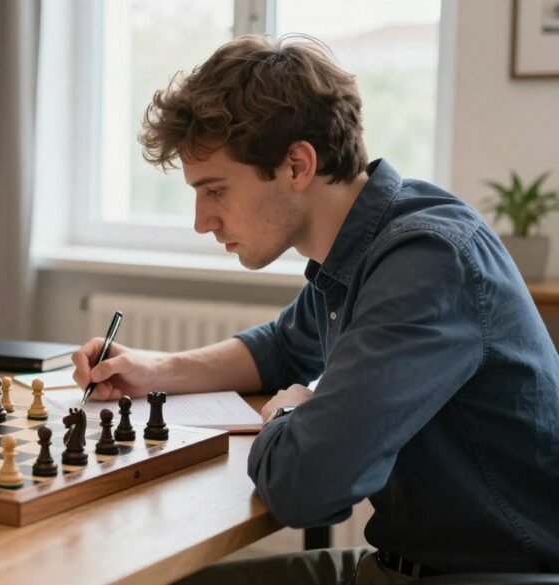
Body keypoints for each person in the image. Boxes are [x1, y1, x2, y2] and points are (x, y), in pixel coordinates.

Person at [71, 34, 559, 584]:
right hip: (404, 564)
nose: (201, 221)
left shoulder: (426, 261)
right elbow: (281, 348)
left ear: (298, 165)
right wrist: (155, 371)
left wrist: (286, 414)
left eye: (215, 191)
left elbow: (307, 487)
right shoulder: (368, 244)